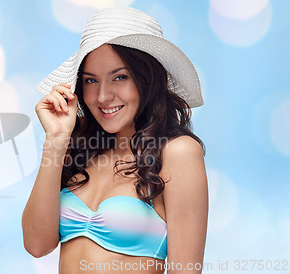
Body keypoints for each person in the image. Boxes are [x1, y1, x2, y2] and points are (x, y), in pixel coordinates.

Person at [22, 6, 208, 274]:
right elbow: (37, 245)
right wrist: (56, 139)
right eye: (91, 80)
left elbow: (186, 270)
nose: (102, 96)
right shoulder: (78, 149)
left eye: (120, 77)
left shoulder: (177, 153)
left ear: (148, 79)